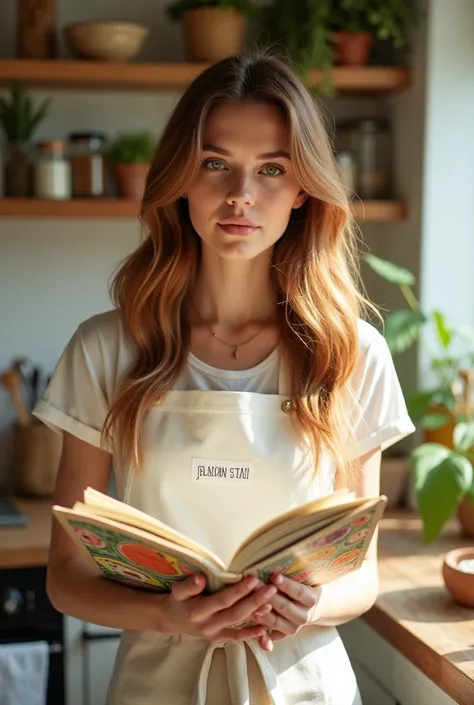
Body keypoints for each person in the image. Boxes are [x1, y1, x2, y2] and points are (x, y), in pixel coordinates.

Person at [34, 52, 415, 705]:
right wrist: (169, 615)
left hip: (306, 688)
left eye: (272, 169)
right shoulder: (105, 348)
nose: (241, 194)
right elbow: (66, 576)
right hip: (155, 685)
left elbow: (363, 575)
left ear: (303, 190)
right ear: (182, 177)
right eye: (216, 164)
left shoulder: (352, 353)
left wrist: (310, 601)